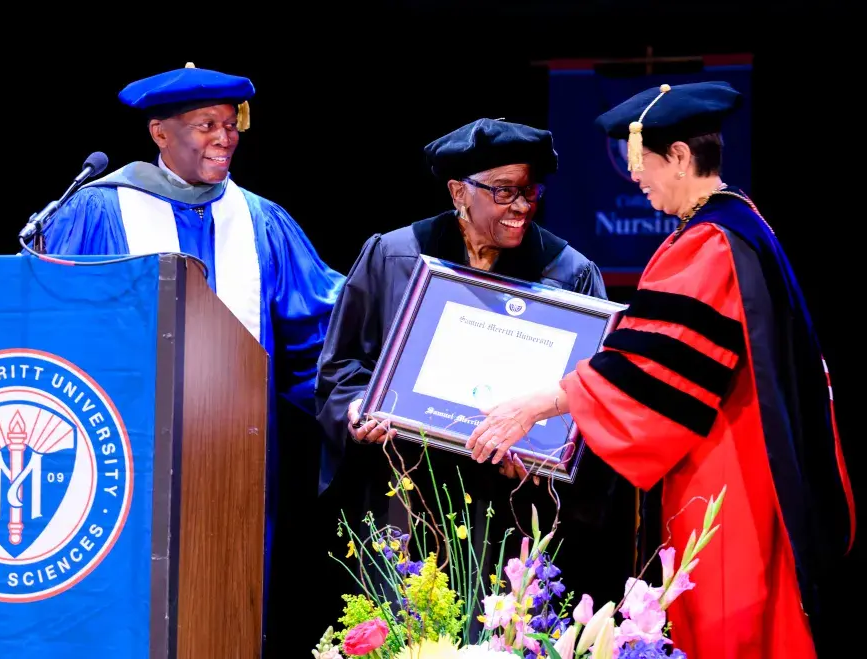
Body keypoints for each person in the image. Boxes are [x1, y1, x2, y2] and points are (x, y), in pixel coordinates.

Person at [465, 81, 857, 657]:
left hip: (728, 477)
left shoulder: (709, 244)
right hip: (748, 458)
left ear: (678, 157)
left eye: (642, 164)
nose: (636, 179)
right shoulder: (747, 225)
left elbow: (650, 366)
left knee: (728, 625)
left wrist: (535, 406)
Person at [32, 62, 345, 654]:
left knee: (227, 607)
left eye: (230, 125)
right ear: (160, 133)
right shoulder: (97, 211)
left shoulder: (260, 222)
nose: (225, 138)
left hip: (238, 454)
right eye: (206, 125)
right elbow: (52, 326)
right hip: (119, 454)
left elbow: (324, 330)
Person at [314, 118, 614, 622]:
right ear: (459, 191)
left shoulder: (567, 274)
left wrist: (551, 456)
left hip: (514, 502)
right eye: (504, 192)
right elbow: (342, 366)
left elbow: (591, 395)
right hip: (409, 494)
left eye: (529, 191)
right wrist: (358, 408)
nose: (521, 206)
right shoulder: (396, 255)